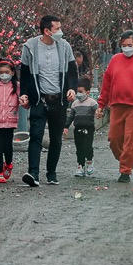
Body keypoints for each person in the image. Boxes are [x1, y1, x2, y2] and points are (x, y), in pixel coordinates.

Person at [19, 15, 78, 187]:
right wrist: (24, 94)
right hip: (40, 99)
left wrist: (72, 88)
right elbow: (24, 73)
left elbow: (73, 71)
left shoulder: (65, 46)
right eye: (57, 29)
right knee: (35, 136)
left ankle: (51, 173)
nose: (60, 32)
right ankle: (33, 173)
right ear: (46, 31)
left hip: (59, 100)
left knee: (56, 138)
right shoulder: (30, 47)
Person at [96, 30, 133, 183]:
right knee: (114, 139)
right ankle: (125, 159)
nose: (126, 48)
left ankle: (125, 171)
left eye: (129, 45)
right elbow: (107, 84)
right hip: (116, 106)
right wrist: (101, 105)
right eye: (123, 45)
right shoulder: (115, 60)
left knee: (131, 140)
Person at [63, 77, 98, 177]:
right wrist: (66, 126)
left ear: (87, 92)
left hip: (89, 128)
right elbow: (71, 116)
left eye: (81, 91)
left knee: (87, 146)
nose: (79, 94)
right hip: (77, 128)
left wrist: (99, 113)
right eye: (77, 91)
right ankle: (80, 166)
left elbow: (98, 111)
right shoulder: (74, 103)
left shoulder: (92, 103)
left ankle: (90, 162)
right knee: (79, 148)